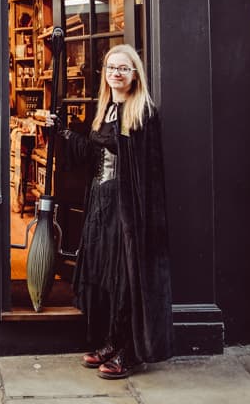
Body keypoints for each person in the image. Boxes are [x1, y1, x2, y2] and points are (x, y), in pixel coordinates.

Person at [59, 44, 173, 379]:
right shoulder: (106, 108)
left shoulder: (142, 112)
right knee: (106, 276)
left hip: (127, 208)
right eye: (111, 68)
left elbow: (147, 172)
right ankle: (110, 341)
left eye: (123, 68)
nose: (116, 74)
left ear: (135, 74)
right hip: (101, 200)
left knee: (126, 278)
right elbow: (94, 151)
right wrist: (62, 131)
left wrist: (140, 220)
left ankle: (130, 352)